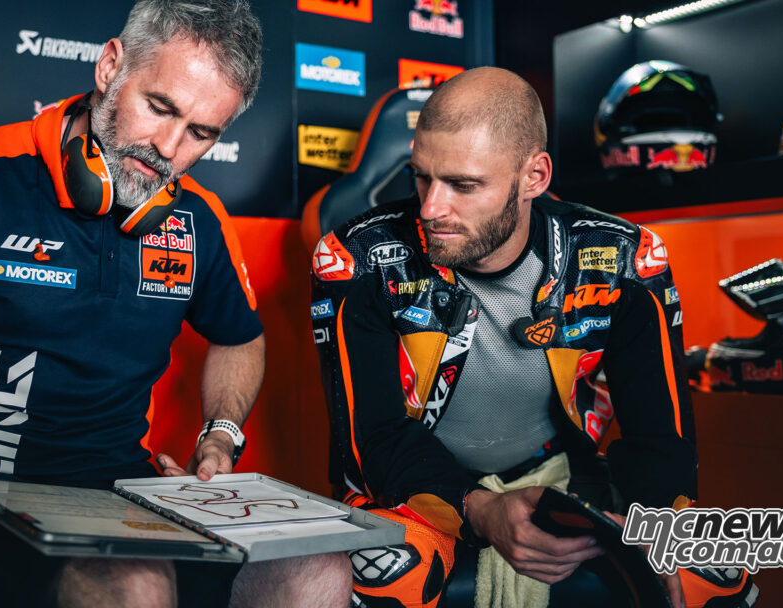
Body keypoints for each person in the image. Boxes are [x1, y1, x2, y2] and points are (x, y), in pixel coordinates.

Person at [0, 1, 349, 606]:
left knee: (317, 572)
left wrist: (222, 434)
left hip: (125, 500)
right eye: (160, 107)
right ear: (110, 67)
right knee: (135, 583)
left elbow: (239, 336)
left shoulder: (198, 220)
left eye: (201, 133)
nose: (168, 147)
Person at [310, 67, 745, 608]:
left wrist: (656, 525)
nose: (429, 208)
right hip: (409, 487)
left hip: (565, 477)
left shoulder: (626, 261)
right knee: (381, 582)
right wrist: (481, 509)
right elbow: (371, 437)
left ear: (533, 177)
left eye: (464, 185)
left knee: (716, 578)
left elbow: (660, 434)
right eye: (420, 177)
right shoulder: (359, 258)